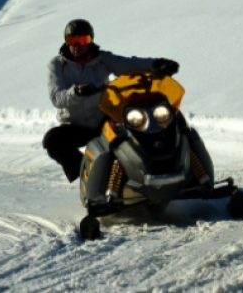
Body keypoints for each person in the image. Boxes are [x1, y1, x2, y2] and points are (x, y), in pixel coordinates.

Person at [43, 19, 179, 182]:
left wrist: (157, 65)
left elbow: (129, 65)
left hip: (103, 118)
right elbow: (56, 97)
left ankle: (149, 171)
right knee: (52, 141)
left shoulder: (102, 59)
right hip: (74, 125)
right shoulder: (57, 64)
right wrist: (76, 92)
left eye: (82, 40)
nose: (76, 45)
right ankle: (88, 174)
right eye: (72, 40)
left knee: (136, 127)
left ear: (90, 40)